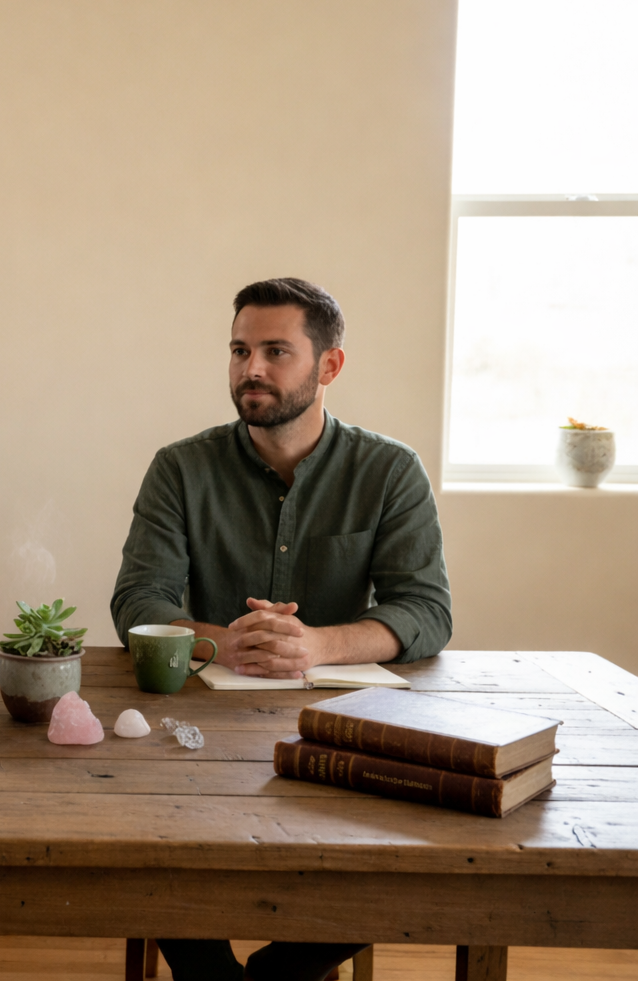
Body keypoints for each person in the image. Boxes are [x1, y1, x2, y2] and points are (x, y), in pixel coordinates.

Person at [110, 277, 451, 981]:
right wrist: (221, 641)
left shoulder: (390, 470)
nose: (250, 369)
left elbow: (427, 609)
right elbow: (137, 601)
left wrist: (320, 644)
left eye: (274, 351)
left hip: (343, 728)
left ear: (329, 366)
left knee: (409, 854)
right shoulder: (181, 467)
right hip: (201, 739)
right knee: (146, 844)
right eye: (239, 350)